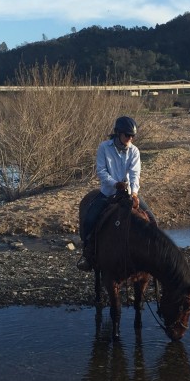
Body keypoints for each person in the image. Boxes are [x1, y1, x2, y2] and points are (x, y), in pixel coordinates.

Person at [77, 115, 156, 270]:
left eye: (132, 136)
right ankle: (88, 255)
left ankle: (152, 257)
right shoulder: (104, 147)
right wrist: (115, 184)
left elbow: (135, 174)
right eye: (127, 135)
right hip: (108, 193)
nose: (130, 138)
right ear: (118, 133)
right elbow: (101, 171)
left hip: (128, 194)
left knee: (153, 221)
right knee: (89, 220)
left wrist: (134, 193)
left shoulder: (134, 151)